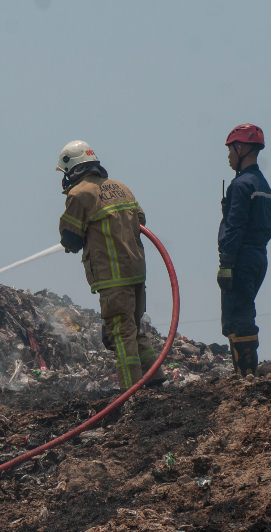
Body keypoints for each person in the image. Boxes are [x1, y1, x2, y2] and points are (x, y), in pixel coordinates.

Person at [56, 140, 164, 393]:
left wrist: (75, 240)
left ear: (72, 168)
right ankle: (155, 379)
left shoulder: (80, 194)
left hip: (112, 278)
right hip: (136, 273)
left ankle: (131, 391)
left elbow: (70, 237)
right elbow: (140, 220)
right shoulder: (120, 188)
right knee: (134, 330)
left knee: (121, 335)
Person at [218, 124, 271, 376]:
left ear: (240, 148)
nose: (229, 156)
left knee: (238, 317)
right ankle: (245, 374)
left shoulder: (241, 185)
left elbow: (235, 226)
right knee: (243, 312)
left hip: (240, 258)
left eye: (230, 150)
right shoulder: (264, 186)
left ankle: (246, 376)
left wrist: (226, 263)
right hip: (259, 257)